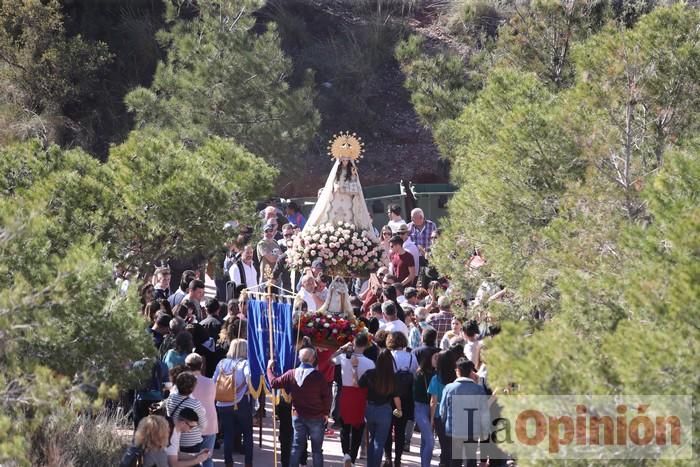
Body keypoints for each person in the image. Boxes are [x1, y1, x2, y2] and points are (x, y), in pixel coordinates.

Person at [267, 347, 331, 467]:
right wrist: (326, 413)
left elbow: (274, 383)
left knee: (296, 447)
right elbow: (327, 396)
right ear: (313, 359)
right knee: (317, 450)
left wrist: (269, 369)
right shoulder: (318, 376)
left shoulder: (292, 373)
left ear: (299, 358)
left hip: (298, 416)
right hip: (316, 417)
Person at [304, 154, 376, 239]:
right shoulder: (336, 172)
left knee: (349, 218)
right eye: (343, 161)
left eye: (347, 161)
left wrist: (344, 190)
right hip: (336, 200)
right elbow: (333, 185)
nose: (345, 162)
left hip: (347, 200)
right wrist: (336, 188)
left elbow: (355, 189)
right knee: (332, 217)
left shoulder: (352, 172)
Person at [331, 334, 375, 467]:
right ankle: (353, 458)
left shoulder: (344, 357)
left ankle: (346, 455)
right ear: (366, 345)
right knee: (358, 428)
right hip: (361, 395)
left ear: (354, 343)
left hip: (347, 393)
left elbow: (329, 360)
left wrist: (341, 349)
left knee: (345, 427)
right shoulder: (370, 363)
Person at [440, 358, 491, 467]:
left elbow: (442, 411)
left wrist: (443, 424)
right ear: (471, 372)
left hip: (453, 430)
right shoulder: (478, 389)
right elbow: (484, 412)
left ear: (458, 371)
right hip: (472, 430)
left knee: (455, 460)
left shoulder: (449, 388)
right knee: (471, 459)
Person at [213, 339, 253, 467]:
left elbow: (214, 381)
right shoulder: (245, 363)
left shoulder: (221, 363)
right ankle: (248, 463)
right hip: (240, 402)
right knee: (247, 433)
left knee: (228, 434)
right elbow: (249, 379)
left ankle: (228, 463)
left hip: (223, 403)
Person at [358, 349, 401, 467]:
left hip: (369, 409)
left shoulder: (369, 373)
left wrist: (353, 368)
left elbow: (359, 385)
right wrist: (399, 411)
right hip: (385, 410)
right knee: (379, 442)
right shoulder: (393, 377)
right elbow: (396, 397)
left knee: (372, 439)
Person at [384, 331, 417, 466]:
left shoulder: (388, 356)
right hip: (406, 397)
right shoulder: (411, 357)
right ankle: (398, 458)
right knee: (400, 429)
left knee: (387, 427)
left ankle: (388, 458)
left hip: (390, 396)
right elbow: (414, 375)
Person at [185, 354, 217, 467]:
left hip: (190, 426)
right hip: (209, 423)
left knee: (188, 459)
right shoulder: (210, 382)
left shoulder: (183, 383)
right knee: (207, 458)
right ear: (201, 365)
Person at [166, 371, 208, 457]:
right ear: (192, 388)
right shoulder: (195, 404)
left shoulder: (170, 398)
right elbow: (203, 424)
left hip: (174, 438)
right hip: (191, 441)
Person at [429, 351, 457, 467]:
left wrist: (431, 419)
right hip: (454, 413)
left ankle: (444, 462)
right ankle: (447, 461)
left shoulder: (436, 379)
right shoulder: (456, 378)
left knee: (443, 442)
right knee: (451, 443)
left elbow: (433, 401)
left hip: (439, 414)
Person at [413, 349, 436, 467]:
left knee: (425, 441)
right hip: (421, 408)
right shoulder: (420, 374)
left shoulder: (435, 373)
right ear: (428, 359)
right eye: (435, 358)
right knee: (430, 441)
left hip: (430, 408)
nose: (437, 360)